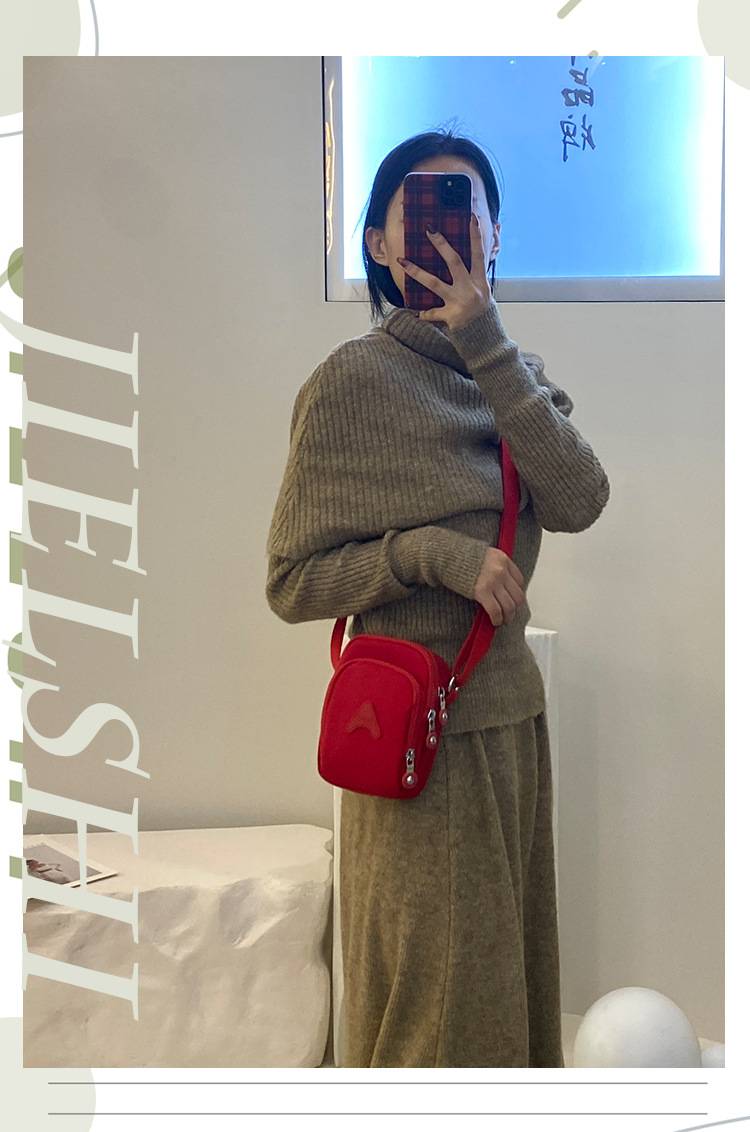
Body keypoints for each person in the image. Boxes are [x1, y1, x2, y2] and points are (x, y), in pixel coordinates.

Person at [265, 128, 610, 1068]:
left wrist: (487, 345)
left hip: (511, 723)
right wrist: (430, 556)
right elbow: (291, 580)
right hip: (414, 739)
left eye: (468, 210)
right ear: (379, 242)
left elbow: (579, 499)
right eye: (420, 207)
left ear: (495, 238)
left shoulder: (515, 378)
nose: (448, 230)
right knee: (437, 1015)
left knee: (504, 994)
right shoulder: (350, 384)